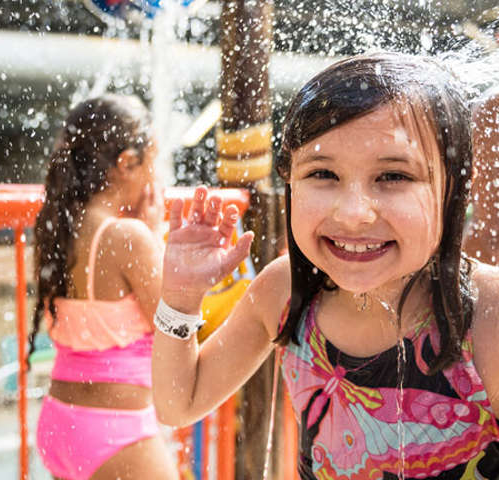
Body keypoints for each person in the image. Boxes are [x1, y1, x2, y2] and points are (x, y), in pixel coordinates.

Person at [152, 53, 499, 479]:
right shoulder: (285, 291)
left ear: (452, 189)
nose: (354, 213)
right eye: (323, 174)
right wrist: (181, 299)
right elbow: (178, 404)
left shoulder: (485, 316)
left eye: (393, 177)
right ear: (290, 181)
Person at [29, 94, 178, 480]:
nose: (157, 178)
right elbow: (177, 332)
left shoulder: (60, 228)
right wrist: (155, 232)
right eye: (153, 163)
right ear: (127, 163)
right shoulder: (127, 236)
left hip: (60, 423)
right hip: (117, 432)